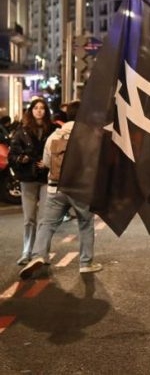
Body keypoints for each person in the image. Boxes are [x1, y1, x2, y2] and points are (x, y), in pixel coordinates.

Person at [18, 100, 103, 279]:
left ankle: (38, 255)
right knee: (86, 224)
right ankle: (86, 263)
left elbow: (48, 162)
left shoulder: (55, 135)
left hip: (55, 188)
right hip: (80, 188)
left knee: (47, 224)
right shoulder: (90, 135)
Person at [10, 99, 56, 266]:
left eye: (42, 108)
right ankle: (26, 252)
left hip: (46, 178)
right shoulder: (21, 131)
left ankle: (42, 253)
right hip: (28, 178)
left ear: (46, 111)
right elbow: (12, 154)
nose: (39, 111)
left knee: (44, 218)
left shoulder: (53, 129)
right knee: (29, 218)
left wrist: (48, 162)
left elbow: (59, 152)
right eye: (36, 108)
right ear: (31, 110)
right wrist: (22, 158)